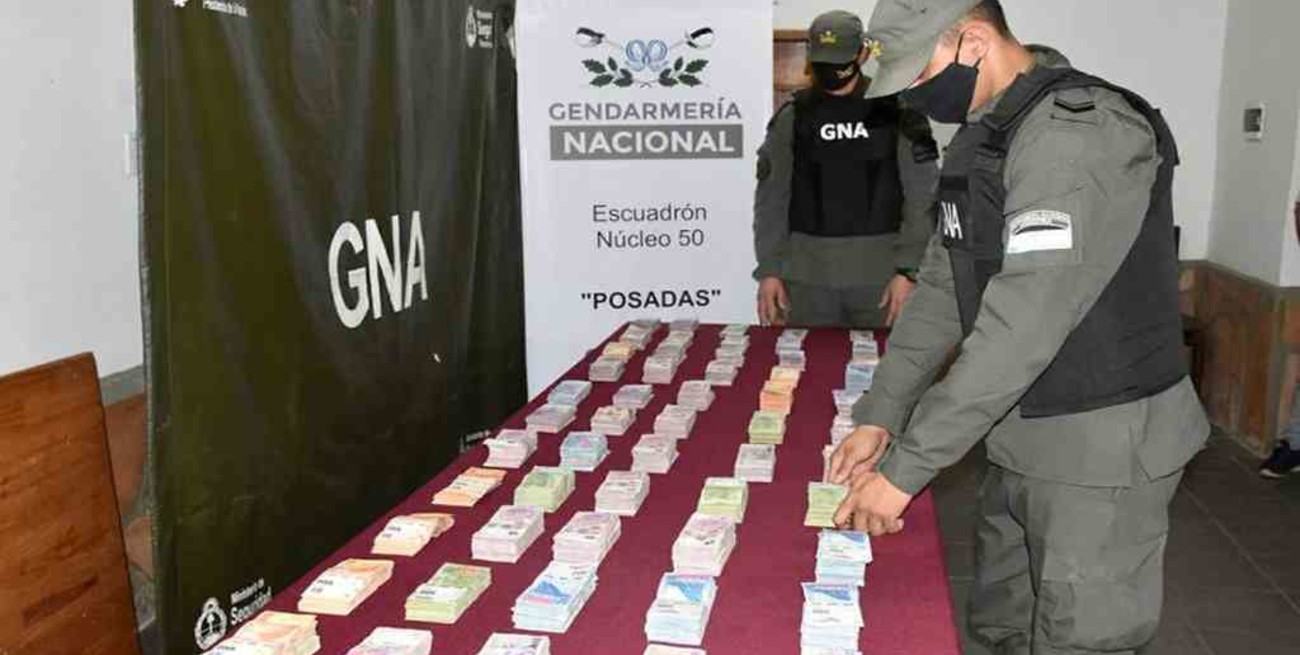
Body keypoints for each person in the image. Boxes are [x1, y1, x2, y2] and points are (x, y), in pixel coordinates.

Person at [826, 1, 1210, 653]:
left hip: (1098, 446)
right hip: (1020, 432)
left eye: (920, 74)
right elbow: (943, 288)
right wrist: (880, 413)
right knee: (1003, 623)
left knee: (1078, 638)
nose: (915, 95)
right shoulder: (984, 134)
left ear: (975, 41)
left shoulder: (1077, 138)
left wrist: (904, 472)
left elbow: (1020, 328)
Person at [753, 10, 939, 329]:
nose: (832, 69)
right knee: (808, 362)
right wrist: (770, 270)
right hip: (808, 283)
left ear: (863, 54)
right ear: (810, 55)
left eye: (839, 59)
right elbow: (771, 199)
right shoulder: (792, 117)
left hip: (883, 281)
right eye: (823, 60)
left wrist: (909, 270)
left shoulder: (899, 111)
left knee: (889, 362)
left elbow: (923, 197)